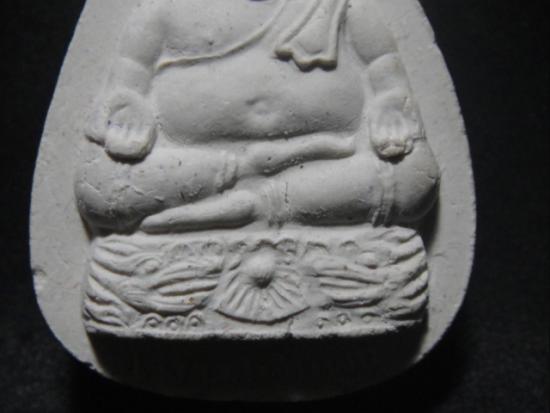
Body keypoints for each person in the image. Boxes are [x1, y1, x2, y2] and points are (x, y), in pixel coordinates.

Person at [76, 0, 440, 234]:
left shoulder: (342, 7)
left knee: (413, 178)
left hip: (323, 165)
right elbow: (128, 78)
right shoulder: (162, 10)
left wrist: (390, 105)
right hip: (198, 165)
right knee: (99, 187)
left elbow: (384, 67)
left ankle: (261, 203)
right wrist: (130, 108)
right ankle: (246, 175)